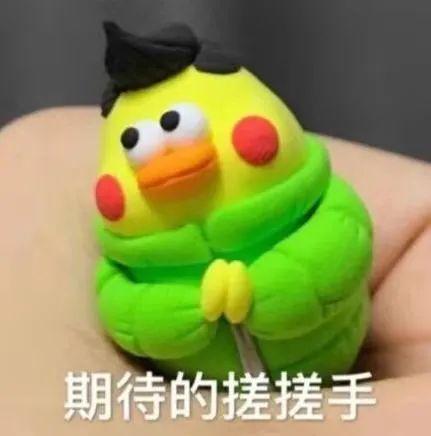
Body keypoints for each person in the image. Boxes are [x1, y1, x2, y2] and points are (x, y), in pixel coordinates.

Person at [0, 107, 430, 434]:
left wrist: (268, 290)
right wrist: (187, 310)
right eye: (135, 143)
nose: (167, 156)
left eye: (179, 126)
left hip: (339, 362)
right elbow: (125, 307)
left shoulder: (325, 203)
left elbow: (339, 241)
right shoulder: (126, 258)